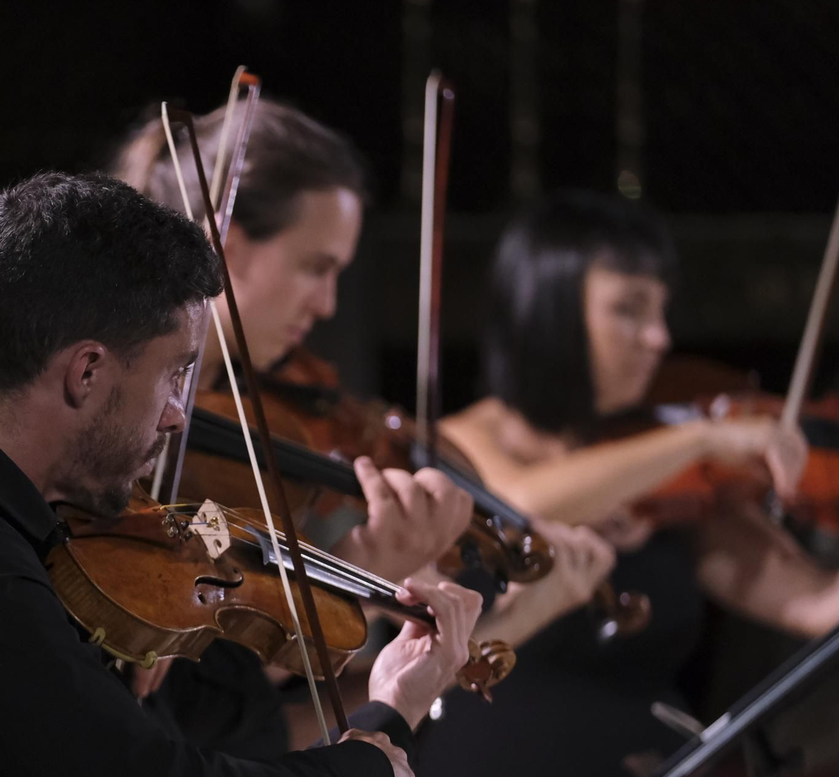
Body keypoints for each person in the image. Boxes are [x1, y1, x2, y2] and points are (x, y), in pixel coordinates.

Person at [0, 172, 486, 777]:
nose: (177, 415)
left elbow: (172, 765)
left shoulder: (9, 537)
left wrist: (391, 708)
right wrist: (369, 772)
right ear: (88, 371)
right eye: (174, 375)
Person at [412, 190, 839, 777]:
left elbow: (825, 602)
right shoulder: (457, 443)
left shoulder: (680, 480)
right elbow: (525, 499)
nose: (659, 337)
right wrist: (700, 434)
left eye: (661, 311)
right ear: (549, 306)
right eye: (629, 309)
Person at [113, 100, 618, 742]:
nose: (325, 304)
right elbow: (202, 691)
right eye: (315, 268)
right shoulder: (128, 430)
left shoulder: (242, 422)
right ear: (228, 245)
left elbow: (245, 693)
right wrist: (356, 565)